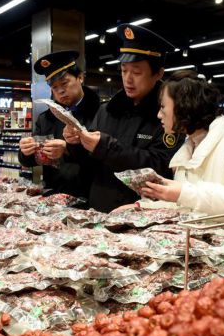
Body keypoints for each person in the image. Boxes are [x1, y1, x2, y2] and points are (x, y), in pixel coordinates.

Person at [117, 70, 224, 253]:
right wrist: (142, 208)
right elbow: (187, 206)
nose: (159, 115)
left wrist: (181, 192)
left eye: (163, 107)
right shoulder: (190, 147)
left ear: (184, 106)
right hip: (215, 254)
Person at [63, 24, 182, 212]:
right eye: (124, 70)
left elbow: (161, 166)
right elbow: (88, 164)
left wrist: (105, 147)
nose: (128, 79)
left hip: (143, 216)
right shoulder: (107, 110)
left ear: (158, 73)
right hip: (100, 211)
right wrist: (75, 144)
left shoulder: (168, 114)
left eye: (136, 72)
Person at [19, 50, 100, 198]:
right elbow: (33, 160)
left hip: (91, 196)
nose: (61, 91)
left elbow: (106, 157)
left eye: (64, 83)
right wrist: (26, 152)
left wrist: (68, 149)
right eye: (55, 87)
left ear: (80, 77)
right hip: (54, 197)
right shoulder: (46, 118)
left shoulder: (100, 112)